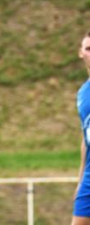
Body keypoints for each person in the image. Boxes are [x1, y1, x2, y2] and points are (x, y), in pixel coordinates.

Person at [73, 31, 90, 225]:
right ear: (81, 53)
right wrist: (80, 182)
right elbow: (85, 140)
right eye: (88, 49)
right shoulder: (83, 93)